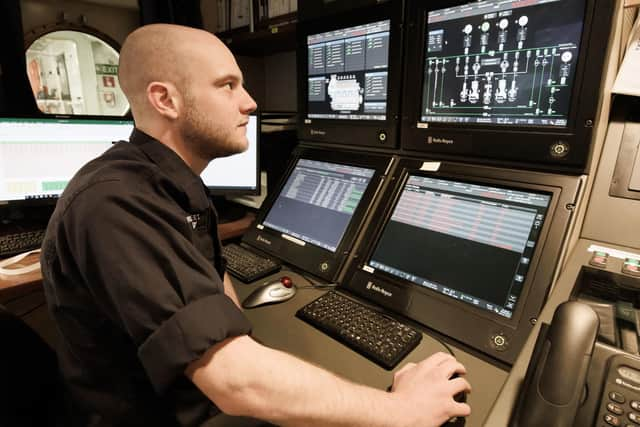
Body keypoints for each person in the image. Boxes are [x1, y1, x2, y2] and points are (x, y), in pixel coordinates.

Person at [40, 23, 471, 427]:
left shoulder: (167, 182)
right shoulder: (117, 202)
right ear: (164, 100)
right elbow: (233, 383)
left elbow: (211, 275)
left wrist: (241, 346)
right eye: (227, 85)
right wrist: (399, 410)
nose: (250, 102)